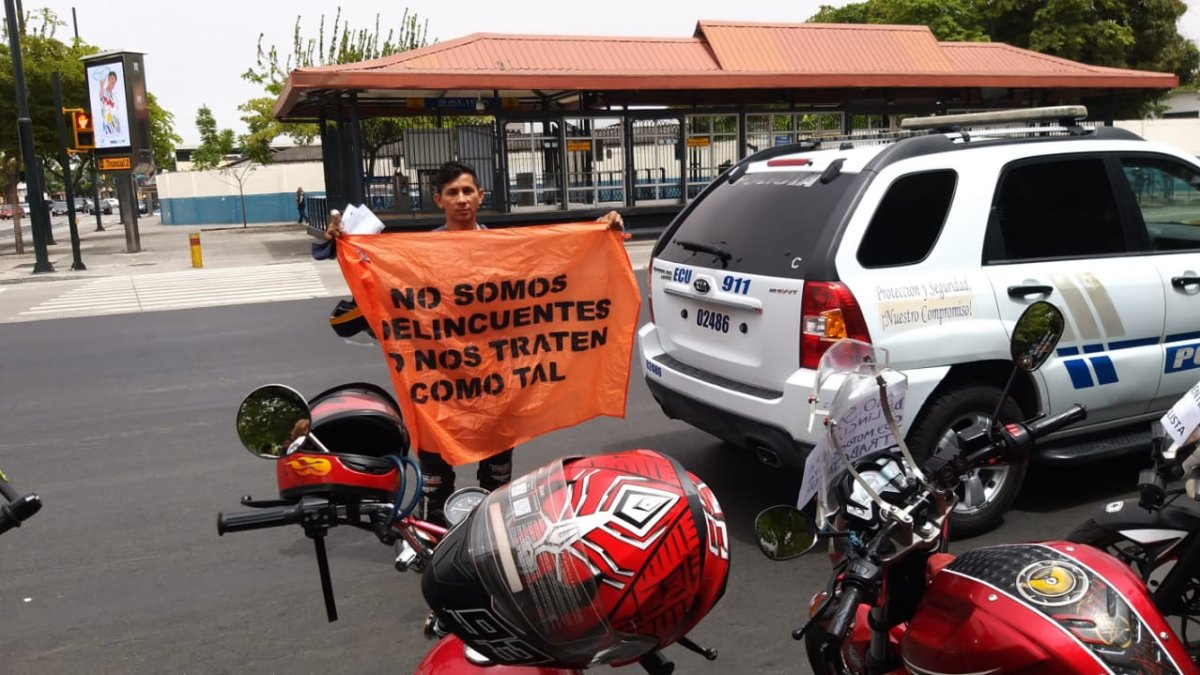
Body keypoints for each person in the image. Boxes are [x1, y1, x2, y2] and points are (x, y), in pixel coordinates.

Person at [326, 160, 623, 524]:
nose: (462, 199)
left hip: (496, 389)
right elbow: (373, 300)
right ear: (439, 199)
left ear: (481, 196)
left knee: (497, 492)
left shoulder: (506, 253)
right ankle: (435, 537)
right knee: (435, 493)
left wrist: (599, 232)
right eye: (453, 193)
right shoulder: (417, 256)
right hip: (438, 390)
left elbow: (553, 277)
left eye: (468, 191)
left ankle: (492, 541)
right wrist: (347, 247)